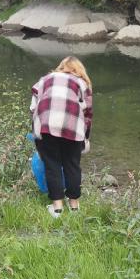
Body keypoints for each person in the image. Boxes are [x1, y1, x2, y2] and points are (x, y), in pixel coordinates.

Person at [30, 56, 93, 218]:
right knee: (72, 164)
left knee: (52, 165)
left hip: (45, 126)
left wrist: (37, 127)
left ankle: (57, 209)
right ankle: (74, 207)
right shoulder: (82, 84)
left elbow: (33, 107)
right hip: (72, 127)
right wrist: (85, 138)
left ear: (61, 67)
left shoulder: (44, 80)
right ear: (79, 70)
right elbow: (87, 114)